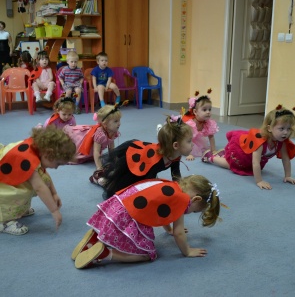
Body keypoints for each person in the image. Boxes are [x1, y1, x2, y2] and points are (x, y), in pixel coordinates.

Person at [71, 174, 221, 269]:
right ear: (195, 199)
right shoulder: (182, 200)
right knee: (148, 254)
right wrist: (188, 251)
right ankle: (106, 253)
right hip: (126, 215)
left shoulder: (169, 185)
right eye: (194, 210)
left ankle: (94, 238)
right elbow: (179, 233)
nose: (190, 212)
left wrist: (167, 229)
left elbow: (162, 212)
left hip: (115, 207)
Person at [0, 126, 76, 235]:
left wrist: (54, 193)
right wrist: (54, 211)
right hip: (2, 182)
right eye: (58, 164)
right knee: (21, 191)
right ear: (48, 154)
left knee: (41, 179)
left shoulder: (38, 149)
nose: (56, 168)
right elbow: (40, 188)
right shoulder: (28, 158)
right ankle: (4, 221)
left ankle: (17, 210)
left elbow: (44, 175)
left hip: (8, 174)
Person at [202, 105, 295, 190]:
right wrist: (259, 181)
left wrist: (288, 176)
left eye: (288, 128)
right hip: (242, 155)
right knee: (230, 165)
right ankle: (211, 157)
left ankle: (224, 153)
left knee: (253, 169)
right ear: (269, 128)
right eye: (281, 128)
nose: (286, 132)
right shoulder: (260, 142)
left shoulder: (282, 142)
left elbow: (286, 159)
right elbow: (255, 162)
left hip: (253, 157)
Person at [99, 115, 193, 198]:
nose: (193, 144)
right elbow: (146, 185)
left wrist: (181, 190)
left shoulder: (176, 155)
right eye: (189, 141)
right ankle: (100, 178)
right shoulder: (156, 162)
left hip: (147, 167)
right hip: (136, 159)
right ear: (176, 146)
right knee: (122, 184)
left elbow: (176, 174)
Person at [182, 90, 220, 161]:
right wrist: (189, 153)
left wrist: (214, 150)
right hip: (183, 138)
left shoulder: (208, 123)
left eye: (209, 109)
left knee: (202, 147)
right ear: (195, 112)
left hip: (193, 139)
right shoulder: (190, 124)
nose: (208, 112)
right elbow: (186, 139)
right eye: (204, 110)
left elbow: (211, 137)